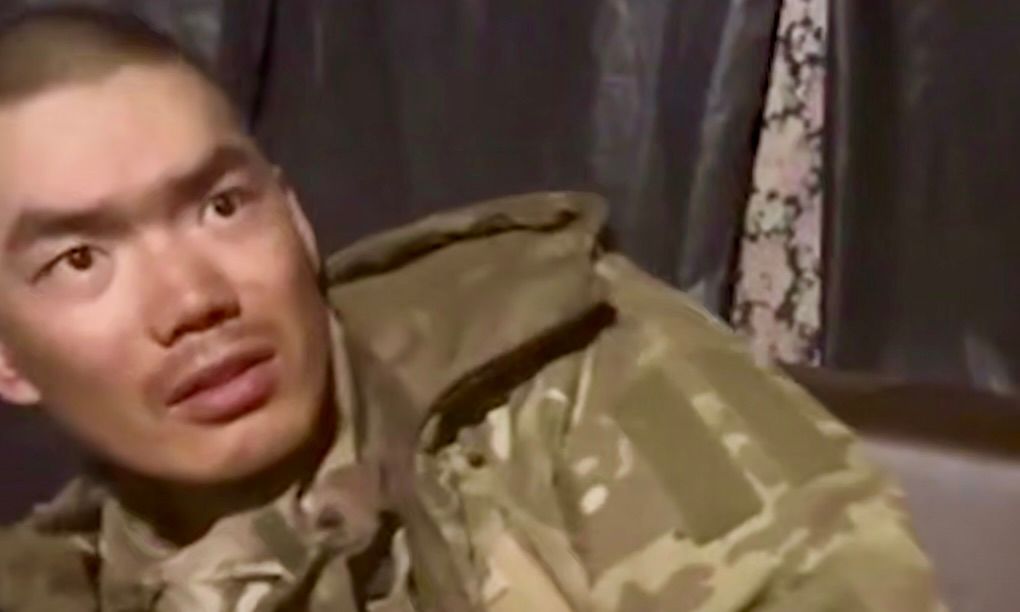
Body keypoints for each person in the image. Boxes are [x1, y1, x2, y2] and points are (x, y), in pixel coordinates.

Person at [0, 7, 942, 612]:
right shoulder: (52, 582)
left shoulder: (557, 371)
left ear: (296, 218)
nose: (195, 299)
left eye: (221, 206)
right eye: (81, 259)